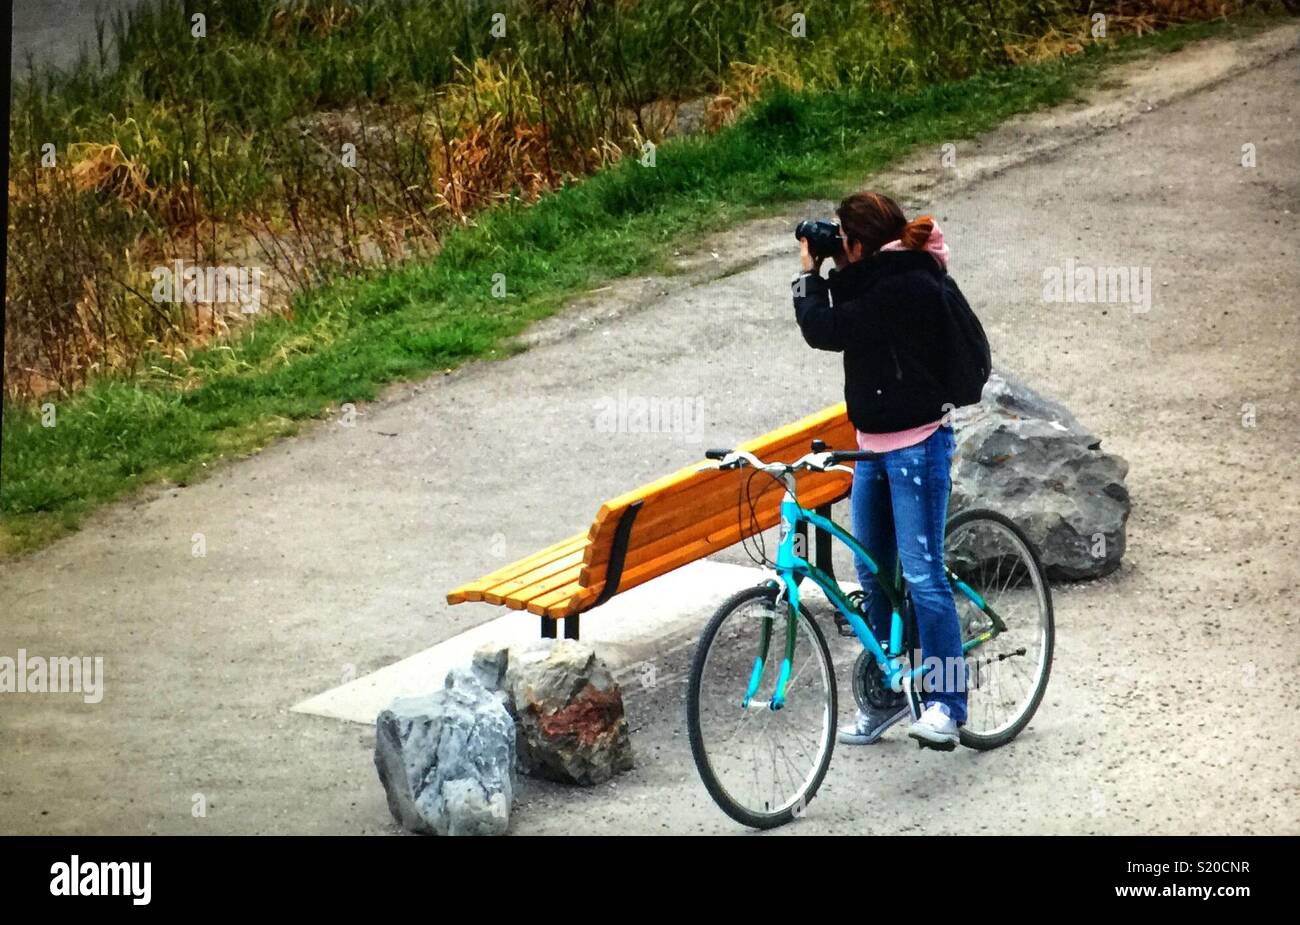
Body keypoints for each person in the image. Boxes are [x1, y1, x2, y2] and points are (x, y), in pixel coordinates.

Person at [792, 191, 969, 750]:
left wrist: (808, 273)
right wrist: (836, 264)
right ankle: (891, 693)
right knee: (871, 574)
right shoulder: (879, 274)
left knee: (922, 576)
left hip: (916, 445)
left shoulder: (903, 282)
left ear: (862, 243)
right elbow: (848, 307)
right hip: (872, 446)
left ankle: (946, 703)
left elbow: (825, 328)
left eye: (843, 237)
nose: (835, 245)